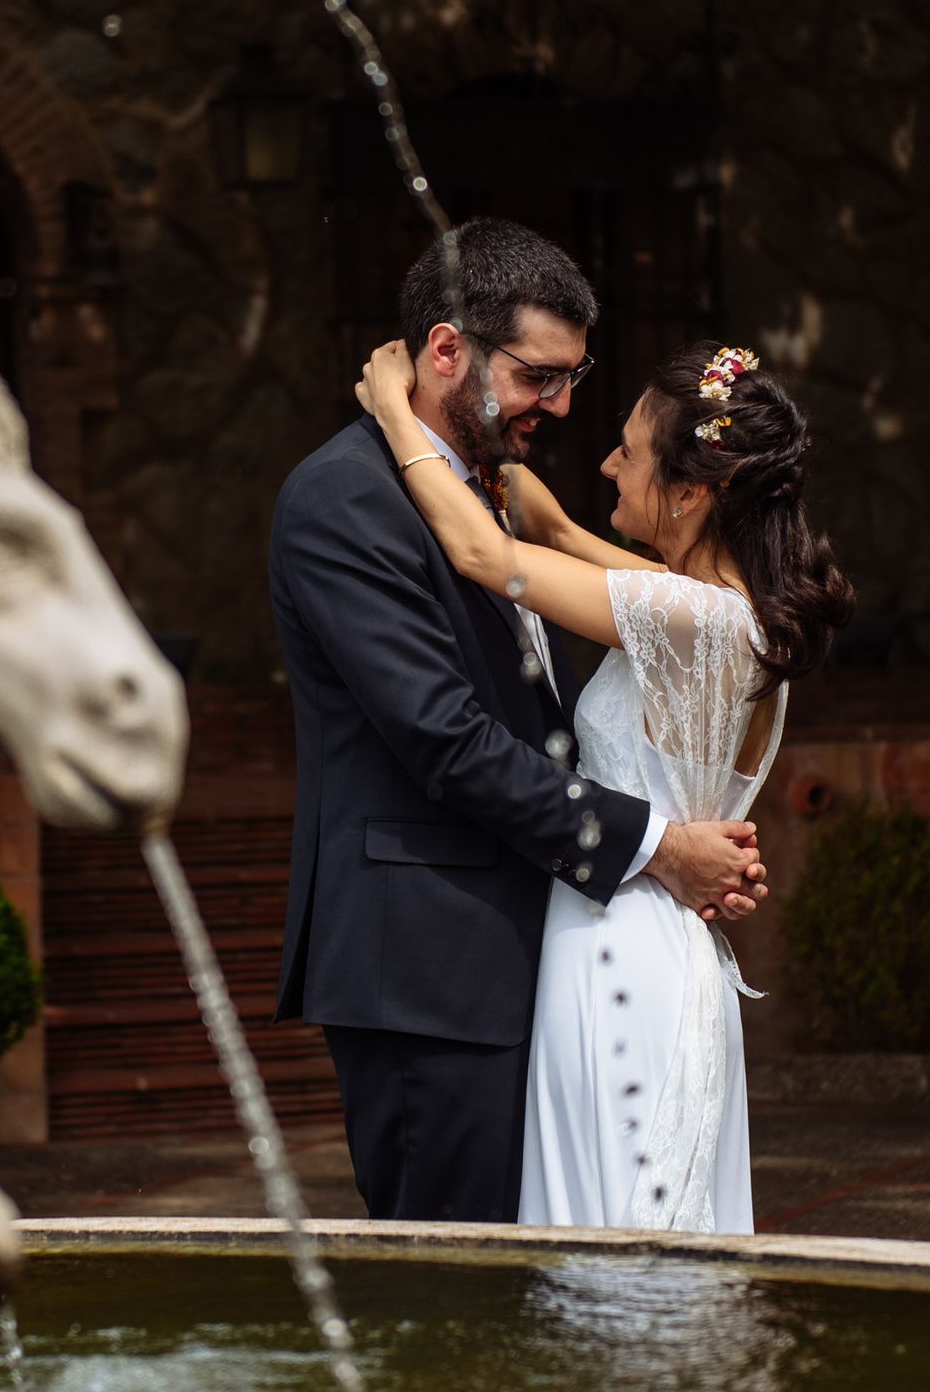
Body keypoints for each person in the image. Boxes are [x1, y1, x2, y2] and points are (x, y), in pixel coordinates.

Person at [267, 219, 768, 1224]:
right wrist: (658, 845)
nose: (565, 405)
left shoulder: (491, 494)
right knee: (450, 1311)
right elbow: (446, 739)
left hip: (542, 957)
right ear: (446, 349)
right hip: (428, 973)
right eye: (541, 375)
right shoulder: (345, 500)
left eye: (575, 377)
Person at [355, 331, 854, 1231]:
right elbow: (552, 532)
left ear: (694, 490)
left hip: (623, 954)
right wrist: (492, 448)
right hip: (650, 936)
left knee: (618, 1243)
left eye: (629, 449)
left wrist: (395, 411)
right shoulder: (722, 611)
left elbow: (485, 556)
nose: (609, 461)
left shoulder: (690, 615)